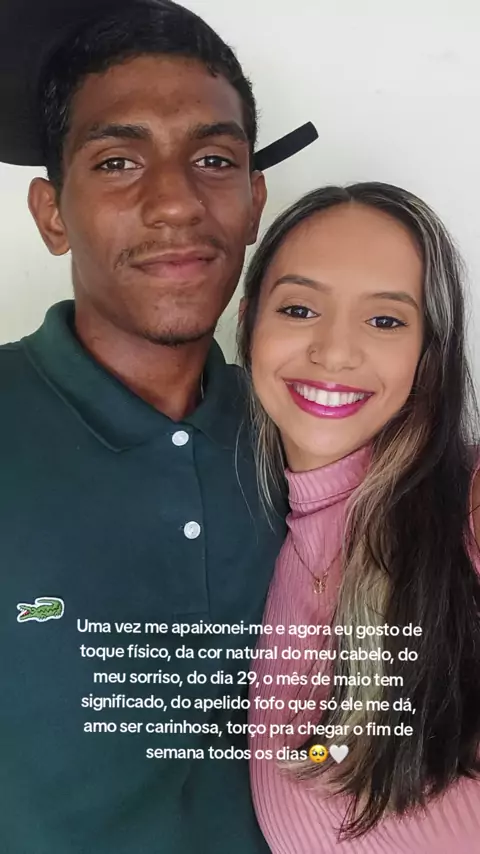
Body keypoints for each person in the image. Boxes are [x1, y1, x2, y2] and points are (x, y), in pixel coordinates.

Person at [0, 1, 317, 851]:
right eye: (117, 161)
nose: (175, 202)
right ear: (52, 214)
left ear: (254, 201)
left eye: (213, 160)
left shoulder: (310, 433)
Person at [238, 182, 480, 852]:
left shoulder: (468, 507)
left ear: (428, 356)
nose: (336, 351)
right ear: (248, 324)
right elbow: (316, 760)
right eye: (299, 308)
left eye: (385, 321)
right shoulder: (260, 539)